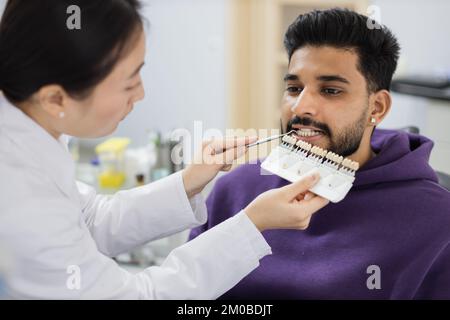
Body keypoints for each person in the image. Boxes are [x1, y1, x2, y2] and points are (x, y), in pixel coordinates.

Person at [0, 0, 329, 299]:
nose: (141, 94)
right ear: (55, 98)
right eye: (129, 83)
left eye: (330, 90)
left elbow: (91, 220)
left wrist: (188, 181)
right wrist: (252, 225)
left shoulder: (30, 133)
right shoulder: (20, 196)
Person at [190, 8, 450, 299]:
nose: (301, 107)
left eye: (330, 90)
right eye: (293, 87)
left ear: (376, 108)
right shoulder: (235, 189)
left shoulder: (439, 222)